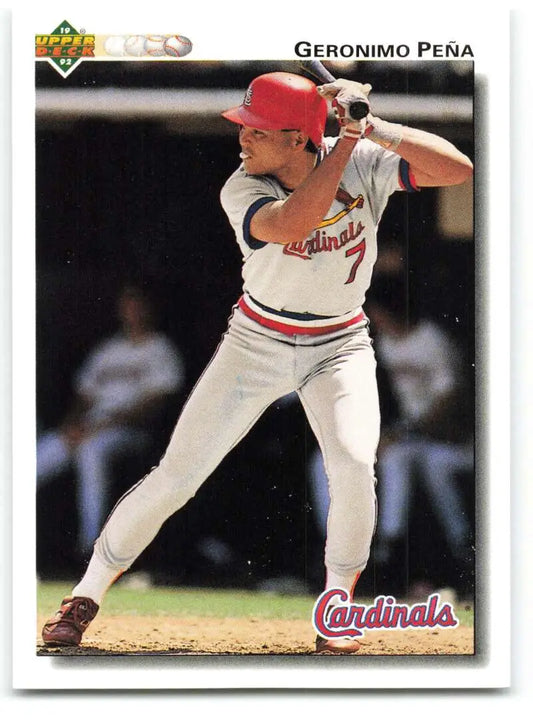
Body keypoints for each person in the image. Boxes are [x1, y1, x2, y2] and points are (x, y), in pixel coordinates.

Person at [41, 71, 472, 653]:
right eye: (244, 128)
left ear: (298, 138)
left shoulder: (366, 157)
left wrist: (374, 126)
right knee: (176, 476)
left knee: (352, 467)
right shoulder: (243, 186)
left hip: (339, 343)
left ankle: (336, 608)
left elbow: (460, 170)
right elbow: (293, 223)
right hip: (257, 341)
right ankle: (86, 595)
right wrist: (345, 140)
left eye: (257, 130)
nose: (242, 139)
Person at [37, 284, 185, 558]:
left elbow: (154, 404)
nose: (132, 311)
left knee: (91, 451)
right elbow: (84, 396)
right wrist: (72, 425)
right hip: (90, 426)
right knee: (37, 458)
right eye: (127, 305)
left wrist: (100, 426)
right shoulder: (109, 349)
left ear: (148, 308)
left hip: (129, 431)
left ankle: (88, 546)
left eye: (137, 304)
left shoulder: (160, 349)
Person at [366, 294, 474, 594]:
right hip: (419, 437)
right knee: (395, 458)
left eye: (378, 314)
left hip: (454, 439)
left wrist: (402, 432)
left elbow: (450, 402)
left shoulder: (432, 339)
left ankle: (463, 549)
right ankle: (389, 548)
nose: (376, 322)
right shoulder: (387, 344)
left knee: (432, 464)